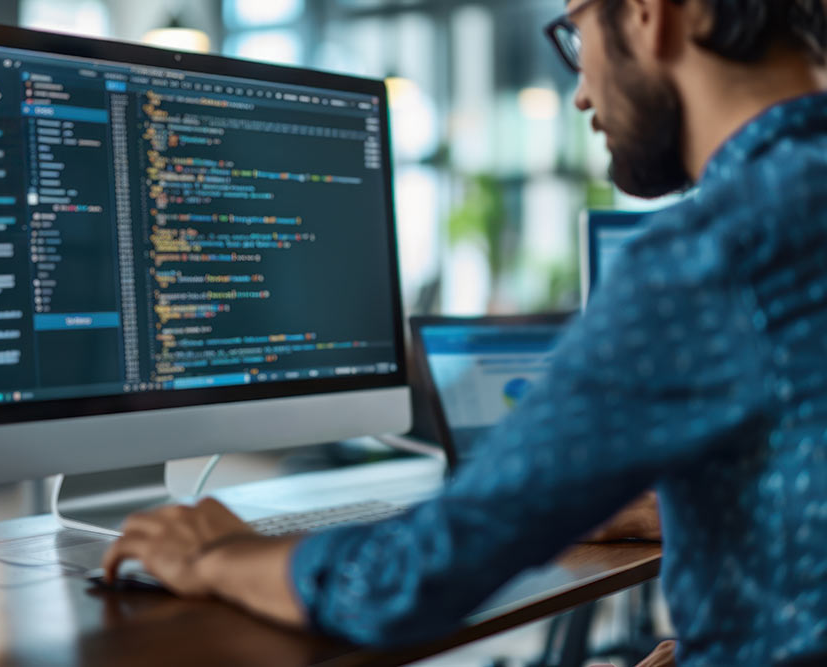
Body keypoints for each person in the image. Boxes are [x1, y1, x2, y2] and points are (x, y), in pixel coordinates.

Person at [102, 1, 827, 664]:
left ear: (649, 14)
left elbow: (416, 577)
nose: (580, 92)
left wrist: (217, 554)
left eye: (577, 31)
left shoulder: (711, 254)